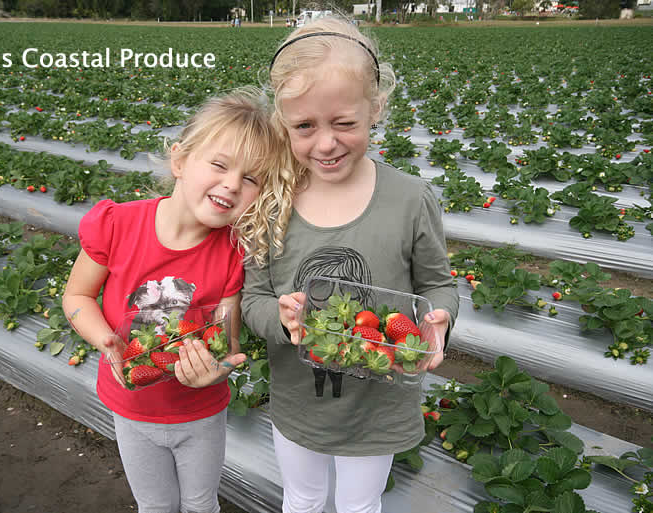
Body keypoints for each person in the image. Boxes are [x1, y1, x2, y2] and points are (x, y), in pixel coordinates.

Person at [240, 16, 460, 513]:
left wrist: (439, 320)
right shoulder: (270, 201)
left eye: (345, 123)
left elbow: (439, 286)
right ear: (283, 122)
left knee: (360, 504)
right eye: (304, 127)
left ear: (375, 109)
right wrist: (281, 315)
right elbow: (252, 297)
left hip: (377, 406)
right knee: (303, 497)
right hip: (301, 403)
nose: (326, 143)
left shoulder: (409, 199)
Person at [62, 86, 282, 513]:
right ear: (180, 161)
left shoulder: (234, 255)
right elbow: (77, 294)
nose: (232, 184)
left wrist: (217, 372)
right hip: (131, 407)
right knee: (155, 506)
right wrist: (105, 338)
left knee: (201, 504)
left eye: (252, 178)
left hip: (200, 411)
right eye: (219, 164)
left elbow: (226, 340)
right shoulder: (117, 226)